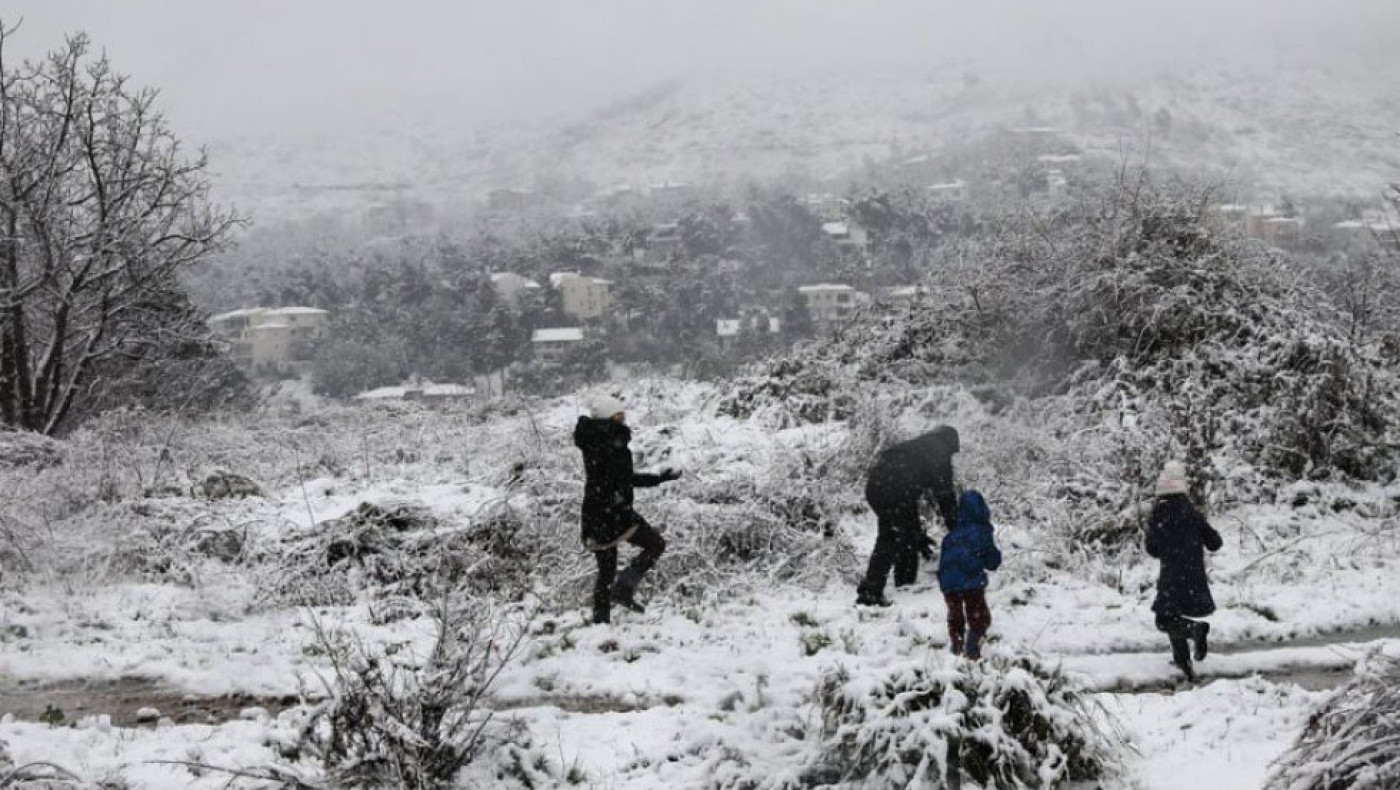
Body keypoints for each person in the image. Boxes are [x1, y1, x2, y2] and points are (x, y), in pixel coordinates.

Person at [573, 392, 682, 624]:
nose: (624, 419)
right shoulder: (610, 442)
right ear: (609, 417)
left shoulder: (594, 439)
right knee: (655, 544)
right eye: (619, 415)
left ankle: (601, 621)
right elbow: (624, 479)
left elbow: (616, 478)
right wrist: (659, 477)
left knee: (606, 571)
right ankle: (623, 590)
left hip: (597, 513)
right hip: (614, 514)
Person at [856, 426, 960, 607]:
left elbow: (907, 492)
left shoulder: (917, 447)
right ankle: (872, 592)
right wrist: (958, 532)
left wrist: (918, 535)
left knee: (899, 534)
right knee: (892, 538)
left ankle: (902, 586)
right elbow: (946, 498)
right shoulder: (939, 453)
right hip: (896, 491)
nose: (951, 457)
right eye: (952, 452)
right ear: (950, 444)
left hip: (876, 486)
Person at [1144, 460, 1222, 683]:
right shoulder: (1193, 513)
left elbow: (1152, 549)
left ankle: (1194, 630)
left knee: (1164, 619)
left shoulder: (1159, 515)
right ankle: (1183, 662)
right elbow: (1215, 542)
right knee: (1172, 617)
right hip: (1194, 577)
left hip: (1171, 577)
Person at [937, 489, 1003, 659]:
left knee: (955, 616)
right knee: (979, 617)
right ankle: (973, 649)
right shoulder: (981, 532)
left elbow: (944, 561)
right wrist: (994, 559)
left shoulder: (951, 535)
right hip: (970, 581)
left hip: (948, 584)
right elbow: (991, 560)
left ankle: (957, 645)